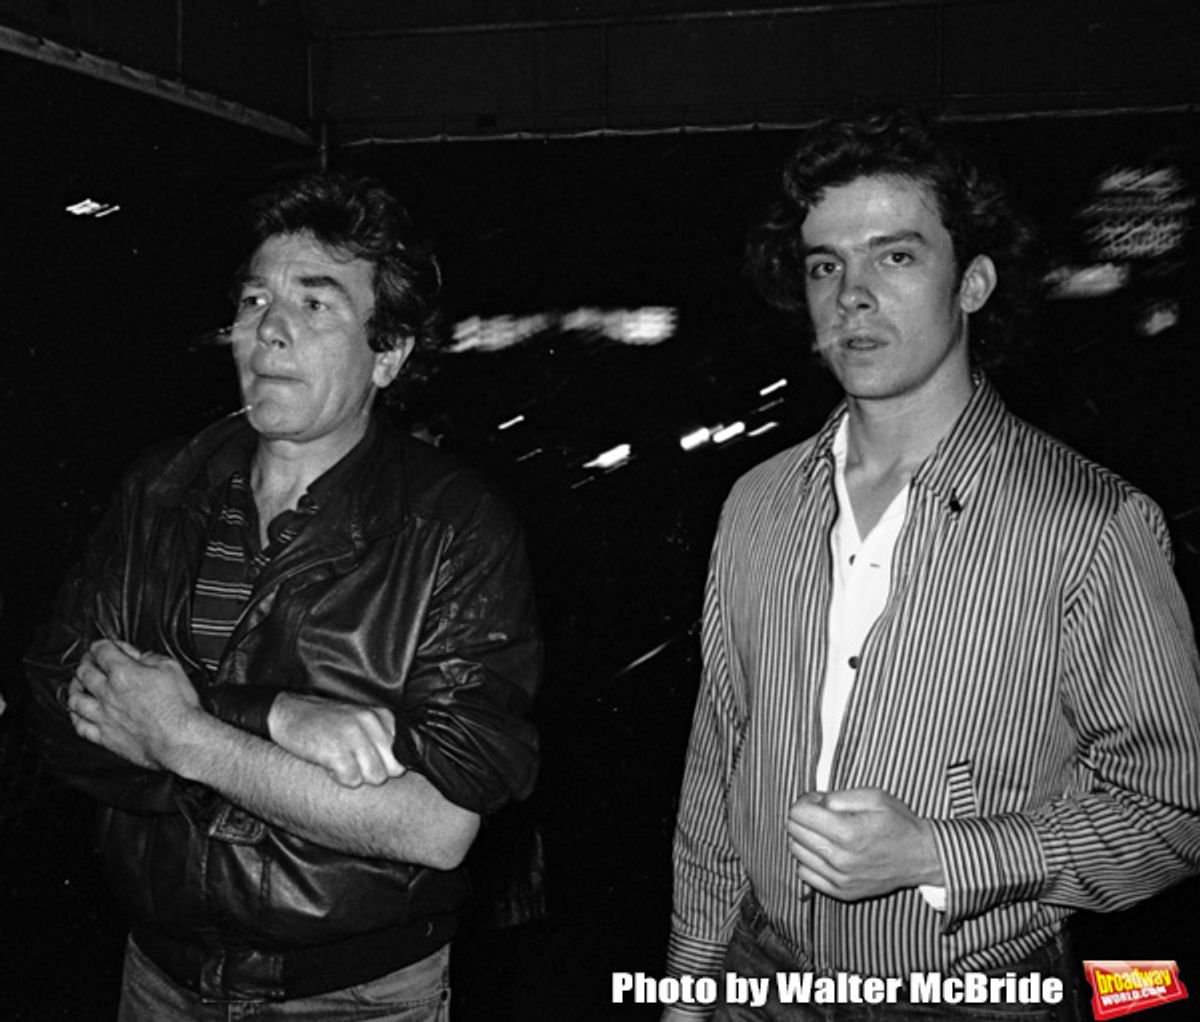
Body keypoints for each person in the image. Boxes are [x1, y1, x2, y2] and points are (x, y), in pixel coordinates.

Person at [664, 107, 1200, 1020]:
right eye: (825, 264)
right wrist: (689, 984)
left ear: (975, 282)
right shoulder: (756, 504)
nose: (852, 295)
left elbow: (1172, 814)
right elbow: (719, 762)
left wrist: (939, 855)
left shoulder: (1089, 524)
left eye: (896, 255)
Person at [26, 173, 540, 1020]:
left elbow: (437, 825)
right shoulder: (164, 488)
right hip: (157, 977)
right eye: (256, 299)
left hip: (352, 996)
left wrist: (181, 734)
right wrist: (278, 720)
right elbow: (58, 698)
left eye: (316, 305)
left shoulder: (452, 525)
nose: (269, 328)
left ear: (388, 353)